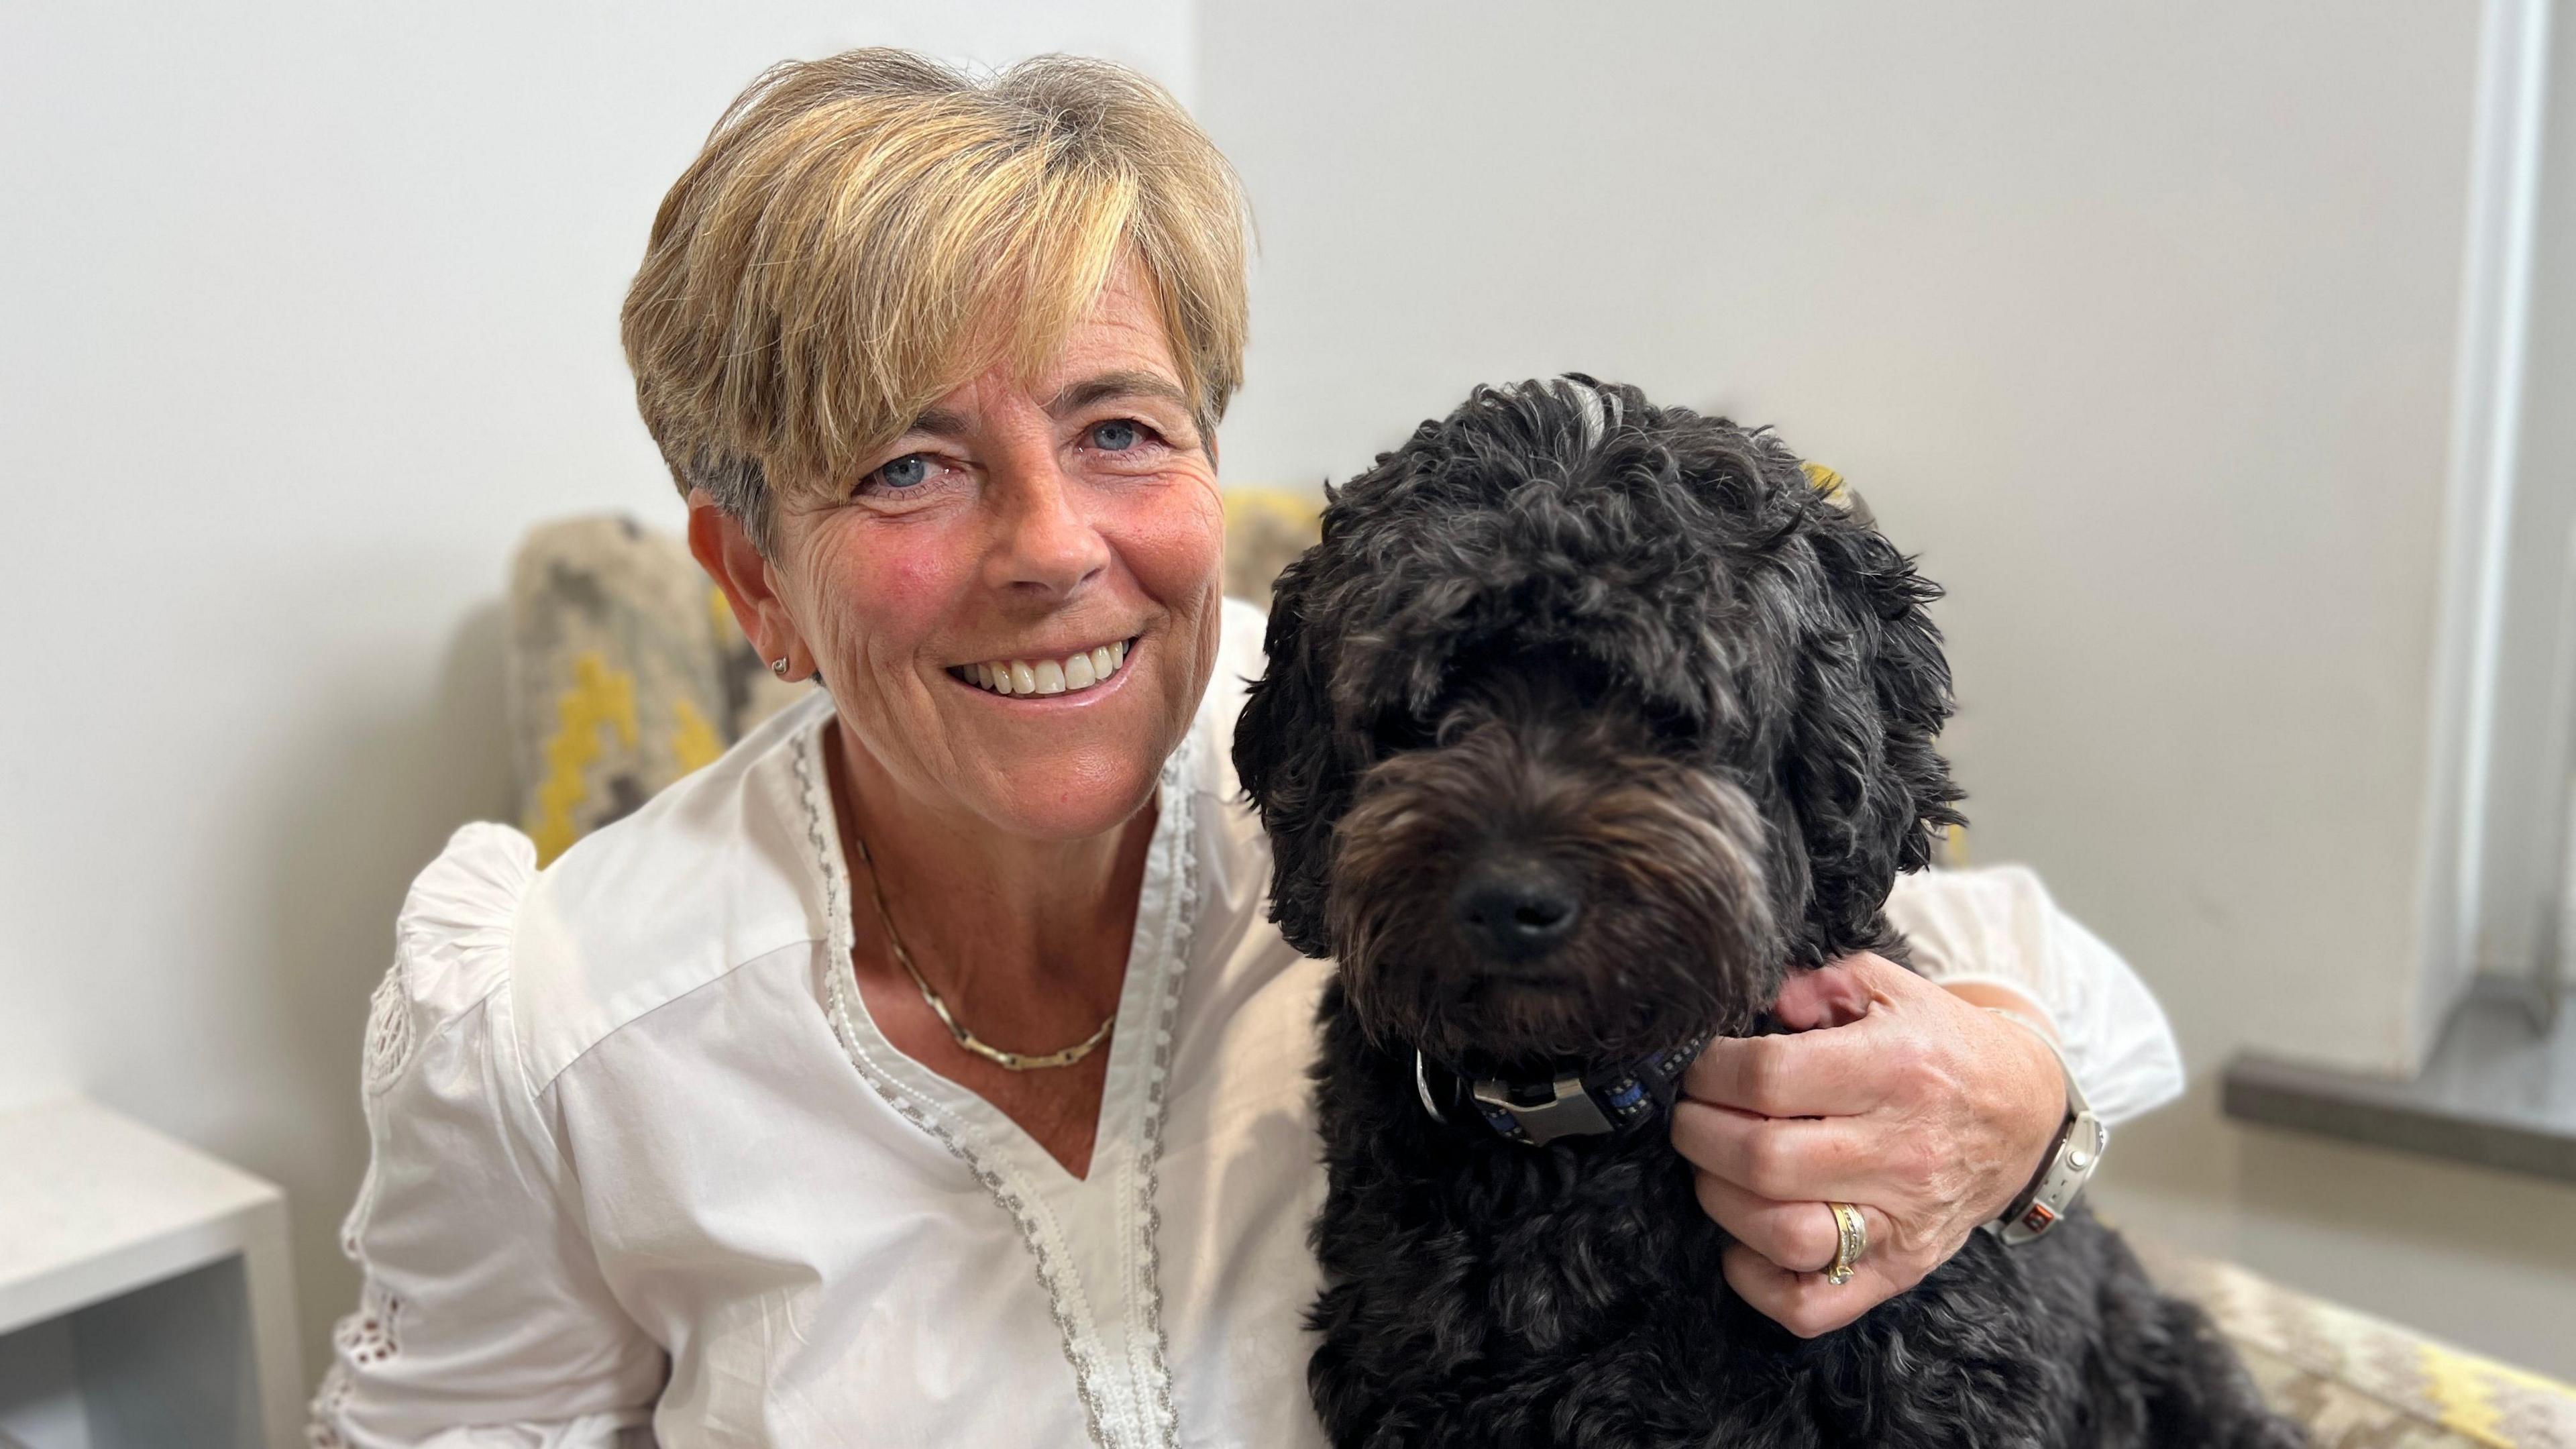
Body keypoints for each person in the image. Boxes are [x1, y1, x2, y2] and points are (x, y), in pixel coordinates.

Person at [311, 48, 2182, 1448]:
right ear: (756, 580)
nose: (1053, 547)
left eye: (1118, 428)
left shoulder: (1350, 725)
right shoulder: (562, 1030)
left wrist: (2014, 1093)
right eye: (907, 464)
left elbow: (1997, 950)